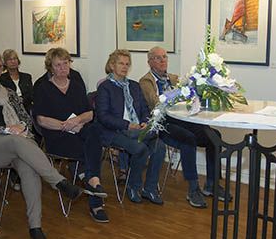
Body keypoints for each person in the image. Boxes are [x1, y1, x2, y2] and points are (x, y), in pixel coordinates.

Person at [0, 56, 90, 239]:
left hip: (18, 145)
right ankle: (59, 182)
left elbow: (27, 119)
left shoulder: (10, 94)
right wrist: (7, 130)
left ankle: (35, 227)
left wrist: (20, 126)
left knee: (28, 167)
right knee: (16, 140)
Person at [139, 46, 227, 207]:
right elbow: (155, 101)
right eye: (158, 58)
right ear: (150, 62)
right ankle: (193, 189)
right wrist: (178, 94)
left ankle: (212, 184)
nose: (163, 60)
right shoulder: (146, 81)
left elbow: (190, 96)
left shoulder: (173, 78)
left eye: (165, 57)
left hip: (182, 120)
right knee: (189, 139)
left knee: (215, 136)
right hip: (163, 124)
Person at [33, 47, 109, 223]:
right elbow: (42, 120)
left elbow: (90, 113)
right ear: (50, 68)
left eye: (65, 63)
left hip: (79, 130)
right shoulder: (42, 87)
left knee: (94, 131)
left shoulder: (75, 84)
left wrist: (77, 122)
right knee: (91, 148)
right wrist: (65, 126)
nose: (62, 68)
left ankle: (90, 180)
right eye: (58, 65)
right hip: (57, 136)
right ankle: (95, 198)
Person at [96, 49, 166, 204]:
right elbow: (103, 116)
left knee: (160, 146)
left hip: (136, 130)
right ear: (112, 65)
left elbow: (144, 109)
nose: (125, 67)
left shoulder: (134, 86)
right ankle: (133, 186)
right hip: (114, 131)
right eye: (121, 63)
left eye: (127, 64)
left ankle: (150, 189)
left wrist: (144, 122)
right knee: (140, 148)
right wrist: (128, 125)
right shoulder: (105, 87)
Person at [0, 48, 33, 114]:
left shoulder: (26, 77)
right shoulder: (1, 78)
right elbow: (4, 97)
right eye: (10, 59)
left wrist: (20, 101)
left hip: (26, 108)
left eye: (15, 59)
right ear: (5, 63)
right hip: (10, 110)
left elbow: (31, 95)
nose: (13, 61)